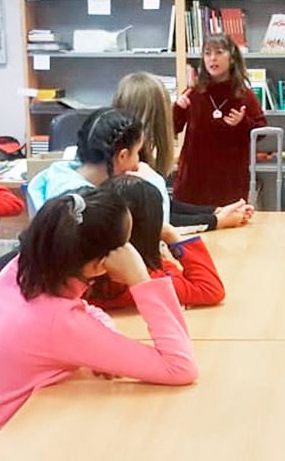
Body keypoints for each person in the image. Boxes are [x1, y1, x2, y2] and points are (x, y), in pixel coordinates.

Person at [0, 187, 198, 455]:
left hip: (18, 434)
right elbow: (180, 367)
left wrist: (103, 342)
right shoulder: (58, 322)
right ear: (99, 265)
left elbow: (86, 310)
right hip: (7, 459)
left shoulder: (26, 267)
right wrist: (141, 281)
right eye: (125, 246)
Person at [113, 71, 253, 230]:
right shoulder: (127, 161)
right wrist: (216, 220)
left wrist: (217, 211)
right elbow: (159, 218)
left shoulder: (132, 149)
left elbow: (162, 203)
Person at [86, 175, 224, 309]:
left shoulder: (84, 273)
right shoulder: (141, 280)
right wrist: (172, 236)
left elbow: (164, 267)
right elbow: (209, 288)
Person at [27, 108, 170, 222]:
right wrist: (154, 183)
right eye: (137, 152)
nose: (138, 160)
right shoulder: (90, 207)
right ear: (122, 156)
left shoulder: (56, 176)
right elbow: (152, 237)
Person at [173, 34, 266, 207]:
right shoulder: (194, 92)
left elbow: (260, 132)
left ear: (231, 58)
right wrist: (178, 108)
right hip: (193, 182)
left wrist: (243, 123)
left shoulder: (244, 95)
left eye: (219, 52)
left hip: (229, 183)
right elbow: (172, 129)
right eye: (207, 53)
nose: (212, 58)